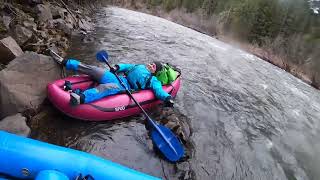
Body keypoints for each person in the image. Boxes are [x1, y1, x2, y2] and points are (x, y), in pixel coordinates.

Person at [62, 59, 176, 107]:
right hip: (117, 78)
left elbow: (159, 91)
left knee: (106, 88)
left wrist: (167, 98)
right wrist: (117, 67)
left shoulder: (154, 80)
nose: (150, 65)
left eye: (153, 66)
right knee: (94, 70)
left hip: (125, 87)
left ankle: (81, 98)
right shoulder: (139, 66)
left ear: (155, 71)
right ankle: (67, 62)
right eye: (151, 63)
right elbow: (126, 66)